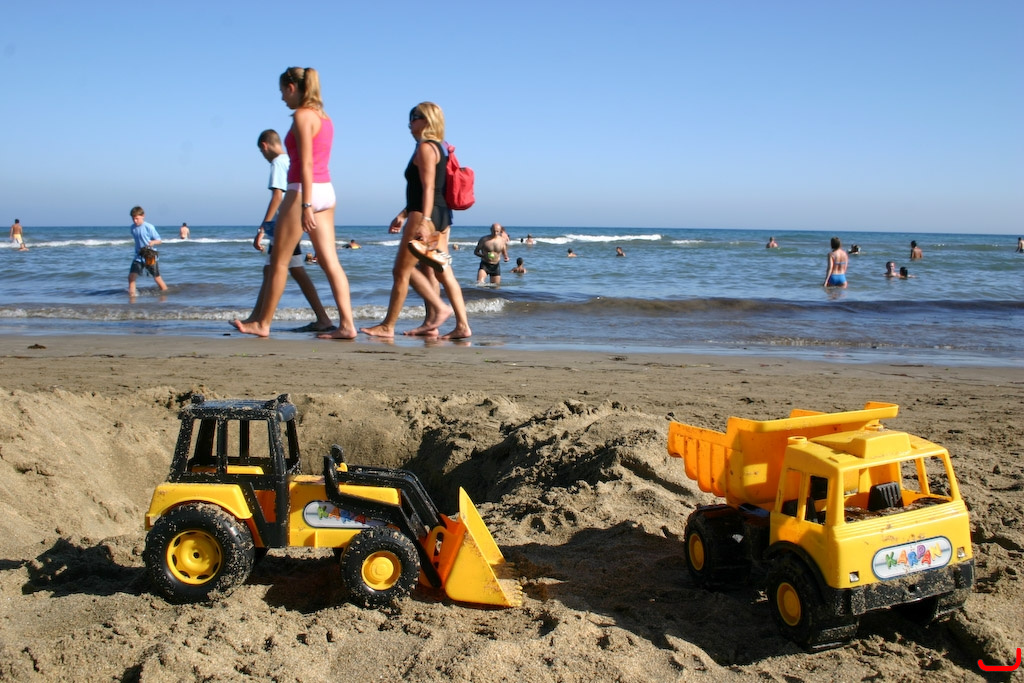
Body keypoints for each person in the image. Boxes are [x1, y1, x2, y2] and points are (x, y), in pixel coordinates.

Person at [232, 67, 356, 339]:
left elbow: (306, 163)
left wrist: (306, 205)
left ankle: (262, 324)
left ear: (292, 87)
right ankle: (347, 325)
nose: (282, 98)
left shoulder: (302, 115)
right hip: (327, 190)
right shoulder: (325, 118)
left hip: (302, 190)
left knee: (279, 261)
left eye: (282, 92)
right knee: (331, 263)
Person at [361, 102, 471, 339]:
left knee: (402, 270)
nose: (409, 123)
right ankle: (458, 325)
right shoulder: (440, 148)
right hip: (442, 216)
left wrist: (423, 220)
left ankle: (390, 325)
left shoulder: (425, 148)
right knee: (440, 271)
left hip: (424, 215)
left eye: (414, 117)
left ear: (427, 120)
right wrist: (403, 214)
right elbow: (428, 189)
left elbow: (428, 188)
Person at [239, 128, 333, 333]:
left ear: (264, 146)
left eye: (261, 152)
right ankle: (322, 318)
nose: (263, 155)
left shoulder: (277, 162)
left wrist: (263, 227)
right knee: (294, 270)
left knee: (273, 269)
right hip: (296, 218)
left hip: (285, 221)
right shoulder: (290, 160)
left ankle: (258, 320)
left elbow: (277, 196)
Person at [127, 206, 168, 295]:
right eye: (133, 219)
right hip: (138, 256)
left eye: (137, 218)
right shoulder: (132, 228)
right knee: (131, 277)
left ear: (143, 216)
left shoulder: (149, 227)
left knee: (157, 278)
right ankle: (132, 296)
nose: (135, 221)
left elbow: (159, 240)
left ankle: (165, 293)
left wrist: (153, 242)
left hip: (150, 255)